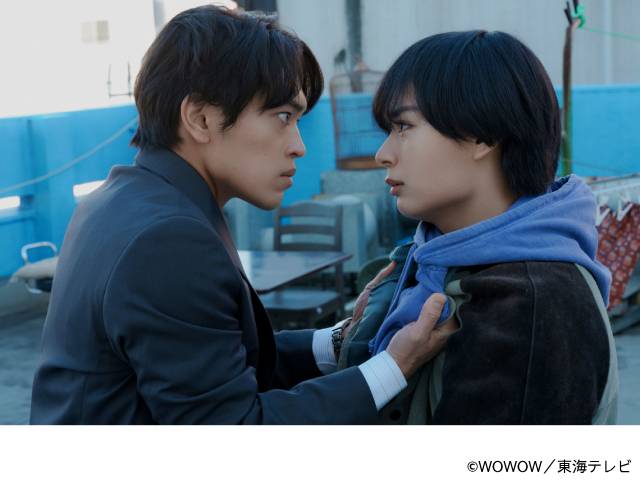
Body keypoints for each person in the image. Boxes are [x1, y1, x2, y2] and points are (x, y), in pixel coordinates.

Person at [29, 5, 454, 425]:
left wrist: (341, 338)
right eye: (282, 117)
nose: (299, 146)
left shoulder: (121, 200)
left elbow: (213, 358)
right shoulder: (169, 239)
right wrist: (394, 367)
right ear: (200, 119)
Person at [337, 30, 619, 424]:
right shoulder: (434, 257)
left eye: (404, 126)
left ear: (483, 135)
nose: (383, 154)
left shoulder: (530, 305)